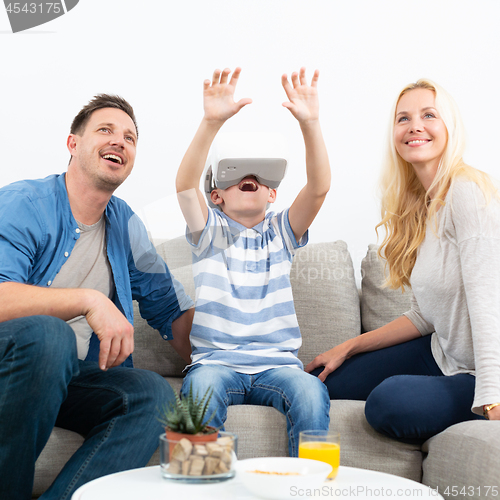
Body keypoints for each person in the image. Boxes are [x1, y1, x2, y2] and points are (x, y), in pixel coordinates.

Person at [0, 94, 194, 500]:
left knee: (153, 394)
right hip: (14, 364)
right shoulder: (23, 204)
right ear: (73, 143)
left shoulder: (125, 224)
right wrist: (90, 300)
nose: (119, 141)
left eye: (130, 137)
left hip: (69, 375)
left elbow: (172, 315)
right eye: (105, 130)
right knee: (50, 337)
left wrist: (235, 338)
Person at [307, 79, 500, 442]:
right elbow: (425, 315)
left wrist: (492, 400)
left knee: (389, 403)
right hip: (445, 355)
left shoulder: (467, 192)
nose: (415, 126)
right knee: (321, 383)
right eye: (403, 118)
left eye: (429, 115)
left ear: (450, 128)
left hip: (486, 370)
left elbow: (488, 304)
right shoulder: (424, 205)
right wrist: (348, 346)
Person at [175, 67, 332, 457]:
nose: (251, 177)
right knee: (199, 394)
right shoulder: (207, 232)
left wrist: (310, 123)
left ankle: (309, 489)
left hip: (278, 365)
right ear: (216, 197)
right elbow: (183, 185)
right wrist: (211, 122)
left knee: (312, 392)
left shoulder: (280, 233)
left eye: (261, 177)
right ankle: (200, 487)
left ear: (273, 195)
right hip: (216, 363)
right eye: (237, 174)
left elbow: (318, 188)